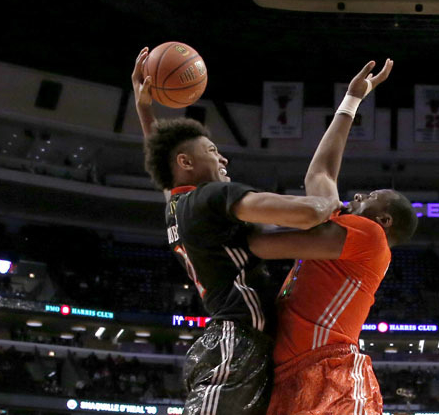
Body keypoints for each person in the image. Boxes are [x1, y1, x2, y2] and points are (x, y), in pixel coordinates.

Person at [131, 47, 342, 415]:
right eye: (212, 150)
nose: (223, 158)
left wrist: (145, 108)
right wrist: (336, 207)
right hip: (237, 341)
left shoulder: (177, 205)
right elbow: (307, 214)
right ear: (187, 162)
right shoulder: (212, 196)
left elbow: (167, 164)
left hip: (238, 342)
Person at [248, 59, 419, 415]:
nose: (357, 196)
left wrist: (218, 219)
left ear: (383, 219)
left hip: (328, 371)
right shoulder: (344, 230)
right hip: (291, 372)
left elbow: (261, 244)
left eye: (368, 197)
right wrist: (351, 102)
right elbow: (321, 173)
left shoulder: (371, 237)